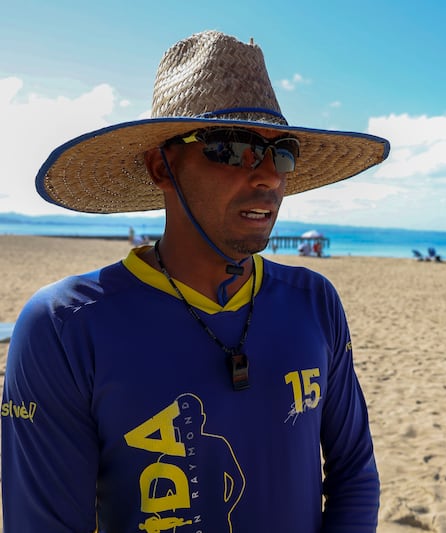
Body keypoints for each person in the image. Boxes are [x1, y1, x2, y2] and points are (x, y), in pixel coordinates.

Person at [1, 31, 390, 532]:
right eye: (234, 149)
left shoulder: (314, 303)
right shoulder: (65, 327)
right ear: (162, 165)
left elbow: (354, 475)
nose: (270, 176)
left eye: (283, 153)